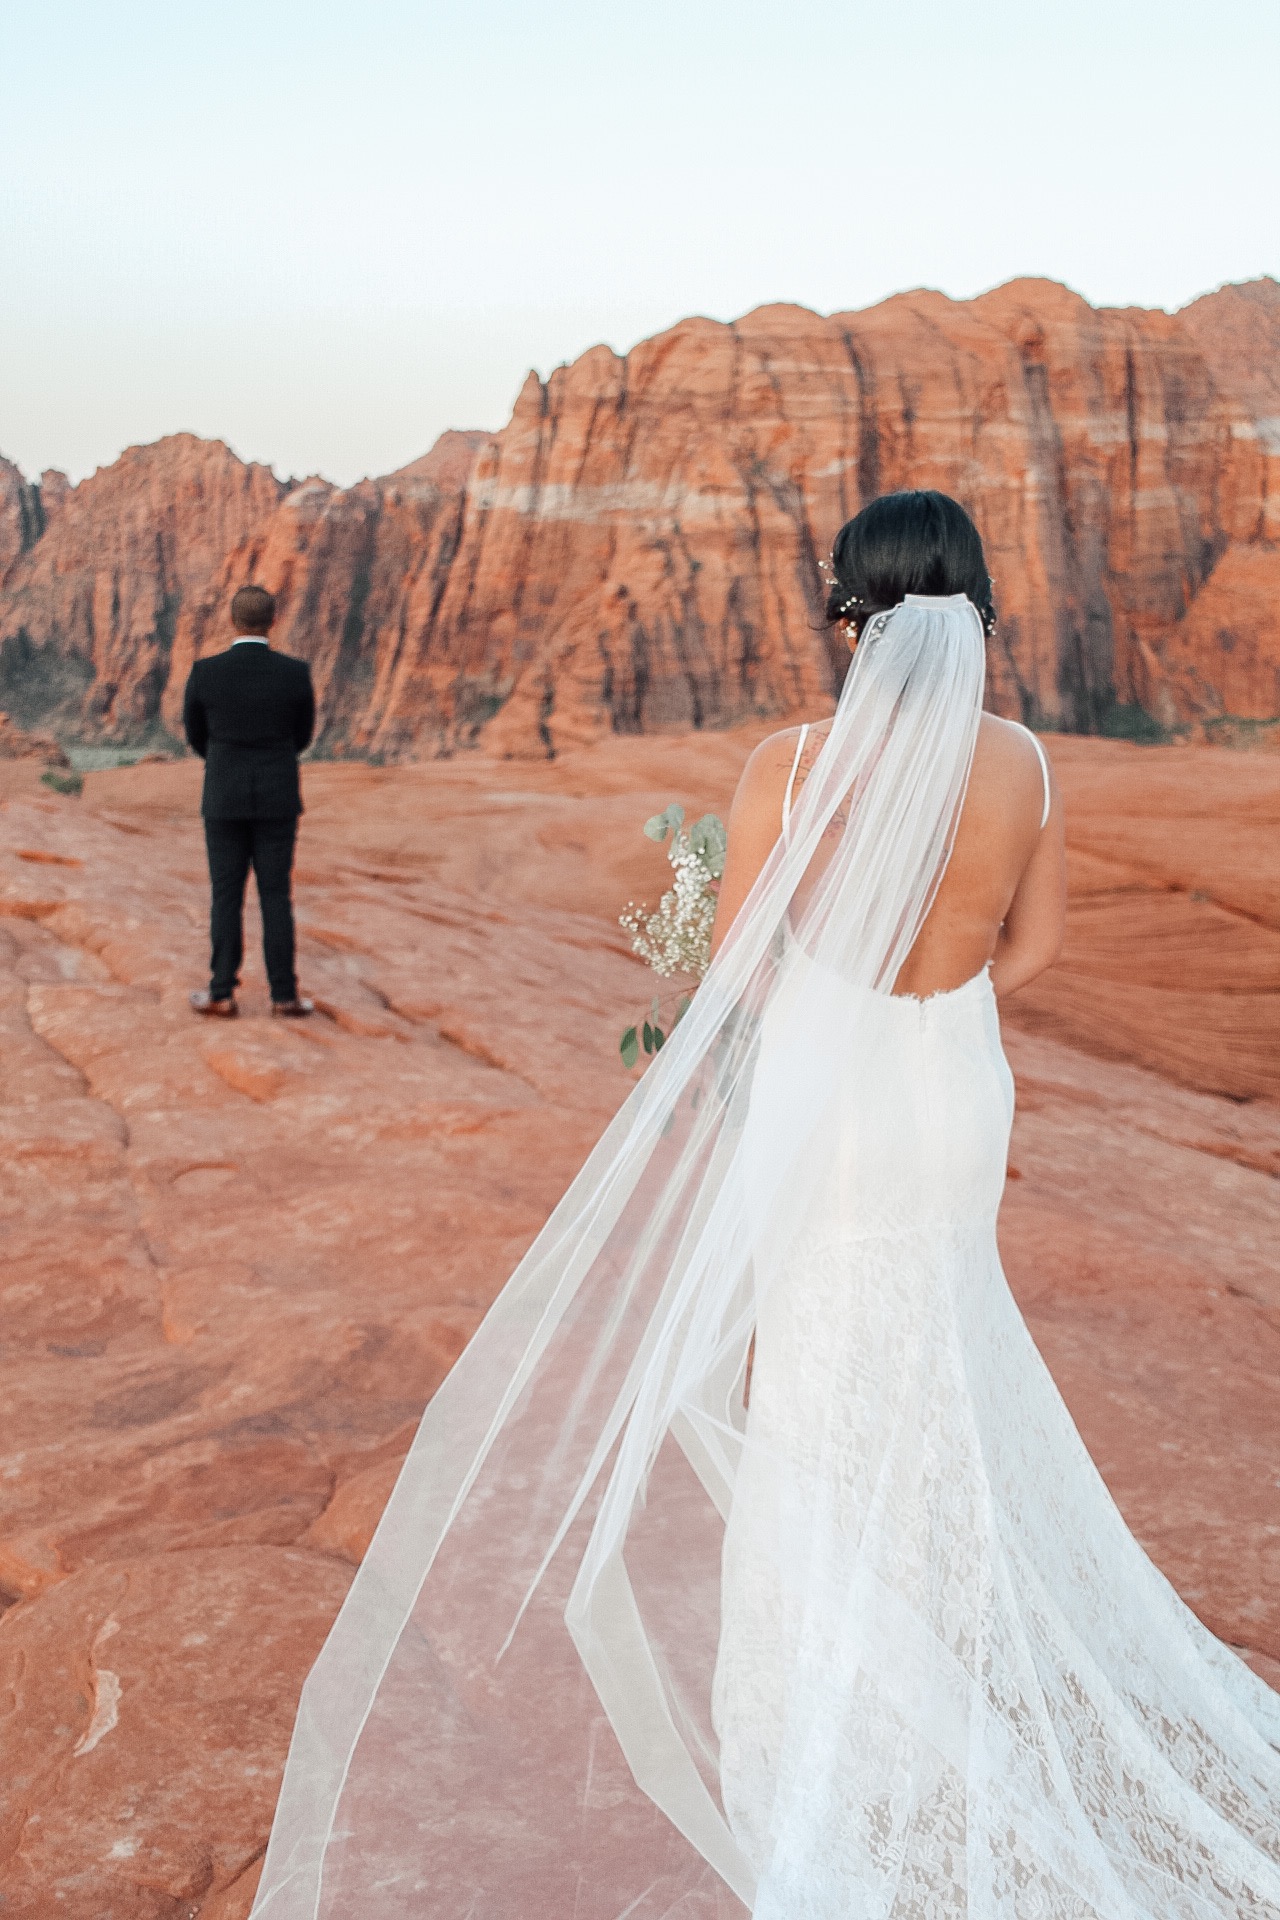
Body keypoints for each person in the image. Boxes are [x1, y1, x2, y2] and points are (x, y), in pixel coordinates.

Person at [250, 494, 1280, 1919]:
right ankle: (943, 1646)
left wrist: (803, 1010)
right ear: (974, 612)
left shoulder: (794, 768)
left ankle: (840, 1705)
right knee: (937, 1345)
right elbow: (1029, 949)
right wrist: (934, 1011)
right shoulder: (1029, 765)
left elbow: (734, 978)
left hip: (835, 1098)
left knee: (811, 1371)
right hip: (954, 1097)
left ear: (846, 616)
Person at [183, 585, 315, 1019]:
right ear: (273, 621)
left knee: (226, 895)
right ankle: (284, 996)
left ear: (233, 621)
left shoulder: (206, 671)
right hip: (277, 796)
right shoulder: (295, 673)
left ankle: (221, 992)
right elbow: (303, 736)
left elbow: (195, 735)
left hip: (223, 796)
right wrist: (272, 759)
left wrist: (224, 761)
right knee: (276, 895)